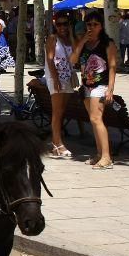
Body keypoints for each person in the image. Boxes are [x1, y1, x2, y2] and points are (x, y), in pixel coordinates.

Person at [70, 10, 118, 170]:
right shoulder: (84, 43)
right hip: (86, 86)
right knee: (93, 120)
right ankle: (99, 153)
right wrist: (82, 42)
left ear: (101, 26)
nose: (91, 27)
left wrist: (110, 89)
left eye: (95, 24)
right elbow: (73, 60)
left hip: (100, 85)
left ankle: (107, 157)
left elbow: (112, 67)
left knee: (97, 119)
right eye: (89, 24)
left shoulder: (107, 44)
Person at [45, 12, 77, 158]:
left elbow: (76, 55)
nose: (62, 27)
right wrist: (55, 78)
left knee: (62, 111)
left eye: (65, 24)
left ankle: (56, 143)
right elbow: (50, 60)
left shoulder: (70, 40)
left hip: (68, 78)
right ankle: (57, 144)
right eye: (59, 24)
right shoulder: (52, 39)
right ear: (55, 25)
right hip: (56, 78)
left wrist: (71, 36)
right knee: (57, 112)